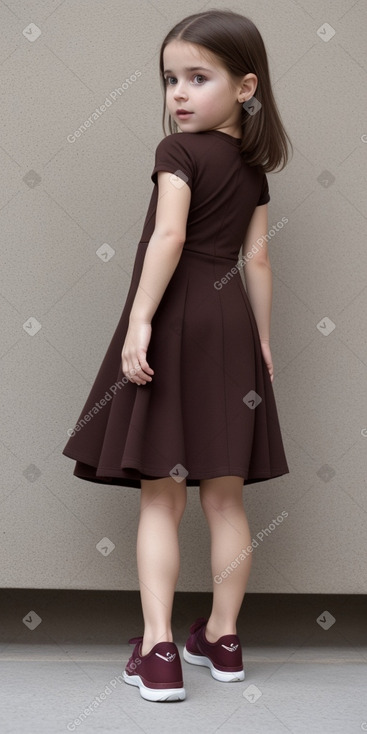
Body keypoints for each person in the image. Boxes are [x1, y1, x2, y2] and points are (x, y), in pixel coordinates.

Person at [62, 8, 292, 702]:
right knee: (224, 497)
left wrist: (139, 321)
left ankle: (158, 651)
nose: (178, 95)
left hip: (174, 319)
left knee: (162, 498)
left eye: (198, 77)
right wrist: (259, 339)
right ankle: (222, 639)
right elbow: (255, 259)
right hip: (227, 324)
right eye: (169, 79)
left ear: (245, 86)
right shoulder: (253, 170)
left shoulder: (176, 154)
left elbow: (168, 239)